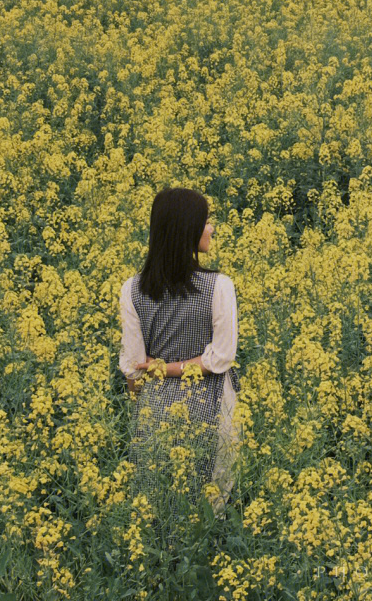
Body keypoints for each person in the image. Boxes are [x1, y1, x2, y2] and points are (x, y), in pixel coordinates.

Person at [117, 187, 240, 518]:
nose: (211, 229)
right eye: (206, 221)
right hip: (209, 406)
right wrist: (170, 369)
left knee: (158, 507)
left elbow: (133, 369)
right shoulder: (219, 286)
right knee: (207, 511)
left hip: (154, 410)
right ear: (188, 229)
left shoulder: (132, 289)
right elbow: (221, 358)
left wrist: (158, 378)